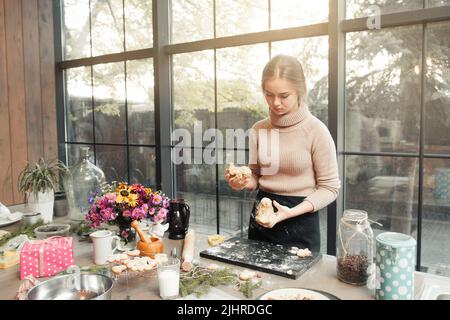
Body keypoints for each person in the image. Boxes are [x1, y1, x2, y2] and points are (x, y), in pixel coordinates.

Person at [224, 55, 341, 252]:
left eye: (284, 95)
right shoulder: (258, 129)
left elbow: (330, 188)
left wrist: (291, 212)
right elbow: (256, 176)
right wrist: (243, 181)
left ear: (299, 90)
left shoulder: (316, 130)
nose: (275, 102)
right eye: (269, 94)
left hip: (301, 219)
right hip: (262, 217)